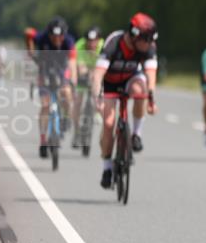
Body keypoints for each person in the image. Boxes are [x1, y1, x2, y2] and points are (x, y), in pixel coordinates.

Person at [92, 13, 159, 188]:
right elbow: (98, 74)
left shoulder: (148, 46)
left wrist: (151, 99)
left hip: (131, 78)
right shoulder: (114, 43)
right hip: (109, 82)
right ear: (133, 35)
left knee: (141, 90)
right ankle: (107, 167)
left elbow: (151, 74)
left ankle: (136, 134)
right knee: (108, 123)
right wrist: (97, 97)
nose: (148, 44)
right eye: (145, 39)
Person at [32, 18, 77, 158]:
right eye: (54, 36)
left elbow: (72, 63)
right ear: (49, 34)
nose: (57, 39)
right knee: (45, 105)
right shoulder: (41, 38)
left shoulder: (69, 41)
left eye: (60, 36)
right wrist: (32, 53)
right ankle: (43, 140)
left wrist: (73, 82)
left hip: (61, 71)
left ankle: (65, 117)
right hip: (45, 72)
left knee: (66, 93)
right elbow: (28, 34)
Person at [72, 27, 103, 148]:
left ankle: (96, 112)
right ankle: (76, 132)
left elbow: (104, 65)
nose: (91, 44)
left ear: (98, 40)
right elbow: (79, 66)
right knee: (78, 102)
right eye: (89, 41)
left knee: (98, 94)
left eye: (94, 41)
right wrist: (85, 74)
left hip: (97, 72)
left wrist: (96, 75)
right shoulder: (79, 46)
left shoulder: (103, 46)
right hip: (83, 73)